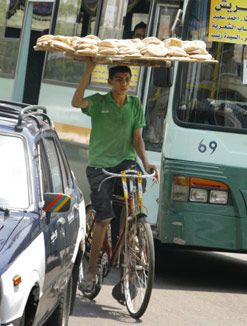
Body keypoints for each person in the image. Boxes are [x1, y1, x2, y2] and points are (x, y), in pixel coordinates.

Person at [71, 58, 159, 299]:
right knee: (104, 218)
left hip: (125, 162)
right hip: (100, 166)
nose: (123, 84)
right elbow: (77, 101)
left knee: (134, 199)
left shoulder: (134, 104)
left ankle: (133, 247)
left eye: (127, 80)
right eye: (119, 80)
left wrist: (147, 162)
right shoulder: (99, 102)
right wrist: (88, 70)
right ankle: (90, 272)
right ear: (109, 82)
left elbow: (137, 139)